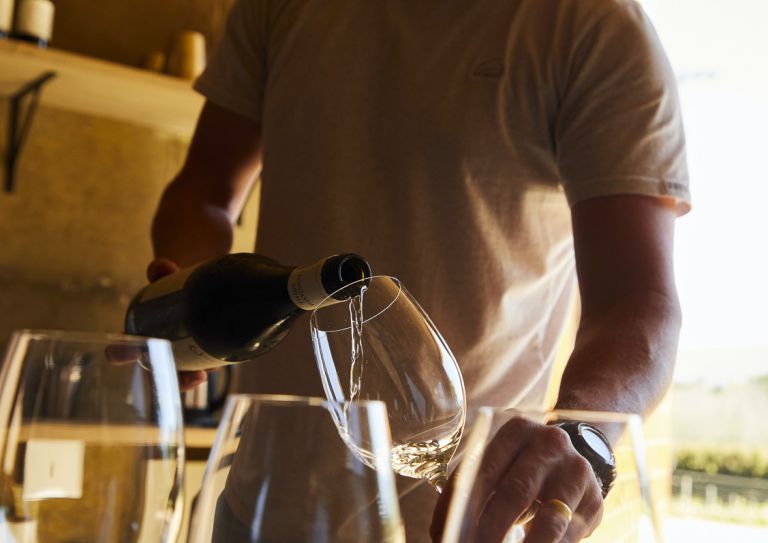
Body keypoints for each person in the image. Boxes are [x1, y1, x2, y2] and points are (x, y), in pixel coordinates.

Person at [147, 0, 690, 541]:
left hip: (471, 518)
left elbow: (639, 299)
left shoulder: (595, 27)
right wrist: (192, 301)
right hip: (258, 509)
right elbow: (205, 189)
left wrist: (581, 432)